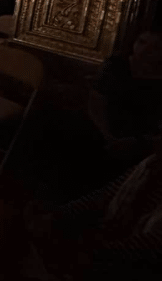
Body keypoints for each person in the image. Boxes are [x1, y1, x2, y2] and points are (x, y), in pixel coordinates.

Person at [27, 136, 162, 280]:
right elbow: (102, 197)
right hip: (96, 245)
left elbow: (142, 249)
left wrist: (78, 253)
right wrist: (54, 218)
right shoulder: (150, 165)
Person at [89, 29, 162, 169]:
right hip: (105, 133)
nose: (144, 49)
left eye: (155, 47)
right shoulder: (117, 65)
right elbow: (96, 102)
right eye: (142, 42)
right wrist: (107, 136)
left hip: (143, 143)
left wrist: (142, 142)